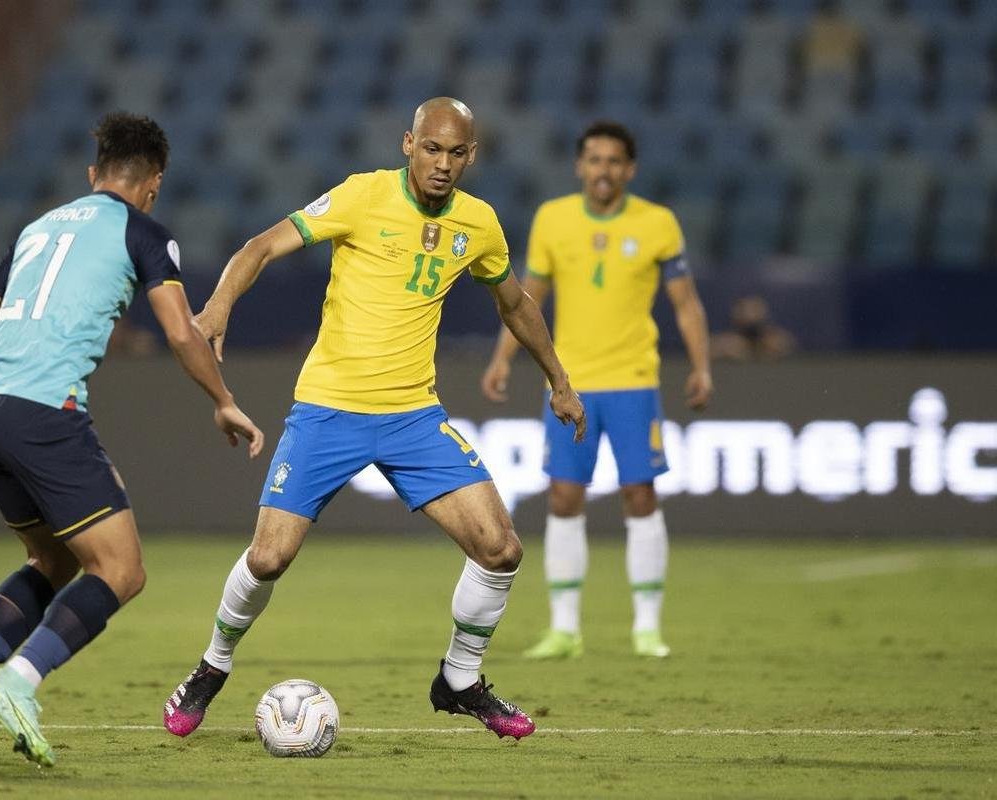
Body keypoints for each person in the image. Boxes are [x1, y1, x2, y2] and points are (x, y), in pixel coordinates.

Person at [160, 97, 585, 742]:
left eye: (457, 153)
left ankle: (460, 679)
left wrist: (558, 377)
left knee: (500, 550)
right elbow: (260, 246)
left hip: (413, 414)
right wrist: (217, 306)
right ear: (407, 143)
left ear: (473, 156)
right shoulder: (361, 196)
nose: (443, 164)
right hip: (328, 408)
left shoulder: (480, 224)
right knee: (269, 558)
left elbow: (515, 304)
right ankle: (212, 667)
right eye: (432, 149)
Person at [0, 112, 264, 772]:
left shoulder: (38, 229)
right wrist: (223, 400)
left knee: (50, 563)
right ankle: (19, 682)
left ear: (92, 175)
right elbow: (179, 331)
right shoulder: (144, 233)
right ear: (154, 185)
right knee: (121, 570)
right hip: (44, 415)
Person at [481, 120, 712, 661]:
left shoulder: (657, 223)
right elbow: (524, 299)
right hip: (571, 383)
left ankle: (647, 627)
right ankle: (565, 630)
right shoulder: (553, 219)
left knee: (641, 495)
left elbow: (685, 303)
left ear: (628, 170)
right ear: (579, 166)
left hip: (634, 380)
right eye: (593, 160)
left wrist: (702, 365)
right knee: (563, 497)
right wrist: (501, 358)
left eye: (613, 161)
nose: (603, 170)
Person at [710, 294, 796, 361]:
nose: (751, 316)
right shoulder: (726, 342)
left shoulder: (777, 341)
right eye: (745, 313)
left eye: (755, 312)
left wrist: (764, 352)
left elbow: (787, 349)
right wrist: (723, 351)